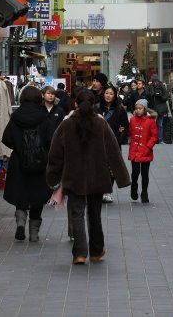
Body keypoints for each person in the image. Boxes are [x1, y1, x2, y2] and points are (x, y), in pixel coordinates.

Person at [46, 89, 131, 265]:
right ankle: (96, 250)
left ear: (75, 103)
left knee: (76, 213)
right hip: (97, 176)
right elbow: (113, 151)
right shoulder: (101, 124)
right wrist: (122, 177)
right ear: (94, 105)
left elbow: (55, 153)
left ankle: (79, 253)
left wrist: (52, 177)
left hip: (73, 175)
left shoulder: (66, 124)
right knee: (94, 214)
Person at [2, 85, 59, 243]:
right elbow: (52, 138)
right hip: (40, 162)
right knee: (38, 195)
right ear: (38, 98)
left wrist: (19, 147)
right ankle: (34, 233)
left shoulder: (16, 116)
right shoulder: (44, 116)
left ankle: (20, 221)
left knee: (21, 191)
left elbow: (7, 138)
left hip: (19, 161)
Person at [96, 85, 129, 203]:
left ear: (115, 96)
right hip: (98, 142)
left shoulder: (120, 109)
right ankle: (101, 190)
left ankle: (108, 191)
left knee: (112, 168)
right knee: (100, 167)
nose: (108, 95)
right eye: (106, 93)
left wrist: (119, 139)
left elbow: (125, 127)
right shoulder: (97, 108)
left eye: (111, 93)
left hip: (114, 143)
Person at [128, 99, 158, 203]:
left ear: (145, 109)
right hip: (134, 151)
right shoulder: (132, 120)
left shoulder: (151, 121)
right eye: (136, 108)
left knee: (145, 174)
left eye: (140, 108)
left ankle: (144, 192)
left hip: (146, 151)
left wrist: (148, 147)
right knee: (135, 172)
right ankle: (134, 187)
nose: (138, 110)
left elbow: (154, 136)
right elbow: (131, 133)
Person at [145, 74, 171, 143]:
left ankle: (160, 139)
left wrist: (160, 96)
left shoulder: (162, 87)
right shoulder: (149, 87)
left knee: (160, 124)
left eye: (156, 81)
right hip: (152, 109)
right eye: (153, 81)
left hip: (160, 109)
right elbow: (147, 96)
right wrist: (152, 94)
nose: (155, 83)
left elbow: (166, 97)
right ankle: (153, 139)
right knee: (152, 125)